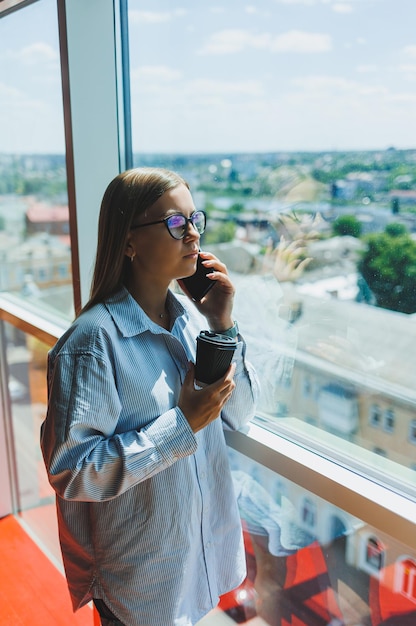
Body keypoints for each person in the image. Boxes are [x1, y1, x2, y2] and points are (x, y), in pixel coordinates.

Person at [40, 167, 259, 626]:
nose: (193, 234)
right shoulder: (93, 343)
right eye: (175, 224)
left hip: (195, 561)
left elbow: (241, 414)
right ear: (128, 242)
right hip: (139, 586)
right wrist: (181, 424)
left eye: (195, 219)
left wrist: (223, 324)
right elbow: (74, 473)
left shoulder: (194, 321)